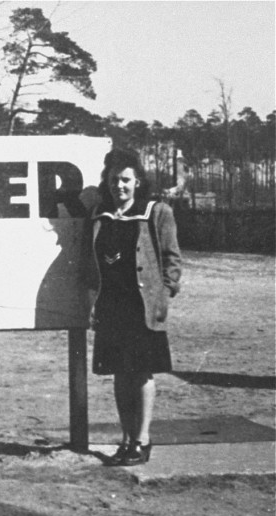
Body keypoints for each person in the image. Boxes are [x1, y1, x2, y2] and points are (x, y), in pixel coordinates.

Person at [82, 148, 182, 467]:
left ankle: (142, 439)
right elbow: (89, 262)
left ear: (137, 181)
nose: (119, 186)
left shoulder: (157, 211)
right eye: (114, 180)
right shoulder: (100, 215)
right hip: (111, 305)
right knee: (119, 375)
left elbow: (172, 260)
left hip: (141, 307)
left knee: (140, 372)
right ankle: (126, 439)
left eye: (125, 179)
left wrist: (164, 295)